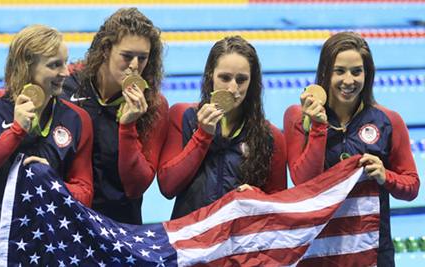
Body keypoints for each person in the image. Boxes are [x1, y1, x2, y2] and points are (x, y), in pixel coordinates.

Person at [0, 25, 94, 266]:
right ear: (26, 66)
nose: (65, 72)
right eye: (54, 65)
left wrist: (51, 181)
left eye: (65, 63)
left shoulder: (76, 119)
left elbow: (85, 192)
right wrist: (15, 132)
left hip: (47, 247)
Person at [283, 32, 420, 265]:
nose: (349, 80)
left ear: (367, 74)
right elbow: (303, 182)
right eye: (340, 71)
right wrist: (318, 127)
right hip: (319, 250)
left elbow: (412, 186)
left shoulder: (388, 121)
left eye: (357, 71)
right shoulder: (298, 116)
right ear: (325, 73)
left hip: (373, 250)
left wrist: (385, 176)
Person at [157, 36, 287, 219]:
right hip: (191, 240)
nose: (233, 89)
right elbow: (168, 187)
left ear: (252, 82)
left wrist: (258, 198)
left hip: (241, 243)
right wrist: (202, 136)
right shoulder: (183, 116)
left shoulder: (271, 136)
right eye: (225, 78)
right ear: (211, 75)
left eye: (241, 80)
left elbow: (279, 211)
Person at [62, 8, 168, 224]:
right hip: (66, 222)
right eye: (127, 56)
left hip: (119, 230)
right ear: (106, 49)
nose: (134, 66)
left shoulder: (153, 105)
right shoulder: (67, 85)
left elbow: (136, 186)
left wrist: (128, 127)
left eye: (143, 58)